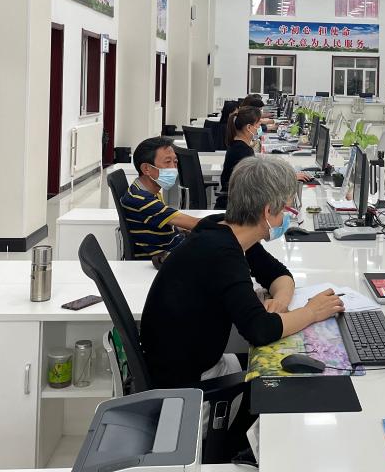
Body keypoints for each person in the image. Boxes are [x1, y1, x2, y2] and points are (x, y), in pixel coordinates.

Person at [140, 156, 345, 388]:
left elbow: (278, 273)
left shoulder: (224, 228)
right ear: (268, 211)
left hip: (195, 359)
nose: (289, 216)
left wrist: (279, 301)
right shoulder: (222, 254)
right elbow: (260, 330)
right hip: (186, 384)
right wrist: (312, 312)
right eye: (288, 208)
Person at [120, 137, 201, 260]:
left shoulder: (147, 190)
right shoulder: (142, 200)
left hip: (173, 246)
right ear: (146, 168)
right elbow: (194, 223)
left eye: (175, 162)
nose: (173, 168)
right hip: (164, 258)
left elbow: (169, 224)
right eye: (167, 162)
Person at [218, 107, 313, 209]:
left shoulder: (238, 145)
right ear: (249, 127)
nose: (259, 128)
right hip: (237, 206)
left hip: (236, 201)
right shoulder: (243, 151)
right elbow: (260, 182)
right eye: (258, 125)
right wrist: (289, 177)